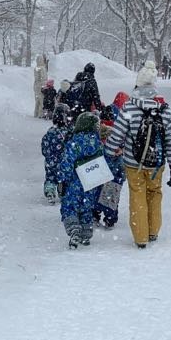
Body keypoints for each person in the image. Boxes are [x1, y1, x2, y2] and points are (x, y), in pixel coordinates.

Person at [104, 59, 171, 248]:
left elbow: (117, 135)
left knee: (137, 195)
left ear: (137, 83)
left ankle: (140, 238)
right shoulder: (165, 110)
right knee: (155, 193)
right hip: (157, 163)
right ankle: (153, 231)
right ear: (154, 86)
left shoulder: (129, 107)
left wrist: (108, 152)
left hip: (133, 162)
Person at [56, 112, 104, 248]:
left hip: (74, 182)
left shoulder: (74, 142)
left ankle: (74, 230)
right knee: (86, 208)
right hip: (91, 181)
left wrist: (61, 179)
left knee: (70, 207)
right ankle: (86, 233)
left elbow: (66, 162)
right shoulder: (98, 142)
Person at [92, 94, 129, 229]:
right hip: (116, 168)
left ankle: (94, 214)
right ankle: (110, 218)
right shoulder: (120, 130)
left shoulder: (99, 132)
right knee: (112, 193)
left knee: (97, 190)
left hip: (101, 166)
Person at [40, 108, 69, 204]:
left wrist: (47, 155)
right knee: (63, 177)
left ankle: (50, 192)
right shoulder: (68, 133)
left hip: (50, 160)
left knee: (50, 177)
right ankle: (62, 191)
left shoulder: (49, 133)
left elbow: (44, 147)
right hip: (63, 160)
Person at [33, 53, 48, 118]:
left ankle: (35, 113)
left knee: (37, 101)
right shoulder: (42, 68)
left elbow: (36, 78)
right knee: (42, 101)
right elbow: (43, 78)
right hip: (41, 86)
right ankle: (40, 114)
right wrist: (45, 86)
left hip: (36, 85)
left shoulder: (36, 68)